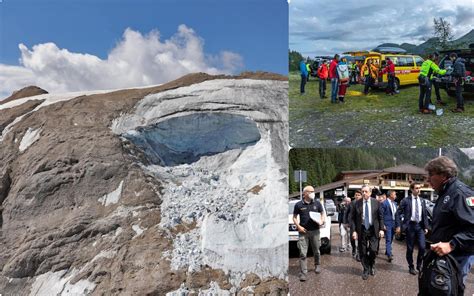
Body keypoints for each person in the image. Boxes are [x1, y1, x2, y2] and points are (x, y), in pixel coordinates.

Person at [424, 156, 474, 294]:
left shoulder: (460, 193)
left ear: (443, 175)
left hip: (456, 259)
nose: (428, 179)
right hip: (443, 259)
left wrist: (452, 244)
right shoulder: (445, 193)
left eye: (431, 175)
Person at [350, 185, 384, 280]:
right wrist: (354, 231)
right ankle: (365, 269)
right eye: (362, 192)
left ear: (370, 192)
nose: (364, 193)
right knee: (363, 251)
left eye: (366, 191)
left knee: (373, 250)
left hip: (373, 230)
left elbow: (380, 217)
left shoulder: (376, 203)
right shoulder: (357, 203)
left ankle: (371, 264)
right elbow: (352, 219)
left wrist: (381, 229)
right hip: (362, 229)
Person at [293, 185, 326, 281]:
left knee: (316, 250)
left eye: (313, 191)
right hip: (303, 232)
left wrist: (322, 220)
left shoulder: (317, 203)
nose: (313, 193)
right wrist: (298, 227)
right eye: (311, 191)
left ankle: (317, 265)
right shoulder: (298, 205)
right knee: (303, 253)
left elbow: (322, 213)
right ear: (305, 193)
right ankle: (303, 273)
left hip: (315, 231)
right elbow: (294, 217)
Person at [396, 183, 429, 275]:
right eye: (416, 188)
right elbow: (398, 213)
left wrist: (426, 226)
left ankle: (419, 265)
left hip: (420, 227)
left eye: (419, 188)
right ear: (412, 189)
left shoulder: (422, 200)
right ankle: (411, 266)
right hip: (410, 226)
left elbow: (425, 215)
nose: (419, 190)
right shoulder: (406, 200)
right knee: (410, 248)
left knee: (422, 247)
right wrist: (399, 226)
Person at [381, 190, 398, 262]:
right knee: (388, 239)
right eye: (394, 194)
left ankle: (387, 251)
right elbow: (381, 215)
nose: (395, 196)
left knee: (391, 238)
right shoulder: (384, 203)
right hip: (387, 224)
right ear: (390, 195)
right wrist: (383, 225)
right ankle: (389, 254)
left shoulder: (395, 203)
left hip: (394, 223)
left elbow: (396, 214)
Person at [345, 190, 362, 261]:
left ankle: (358, 252)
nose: (357, 196)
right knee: (352, 238)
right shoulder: (351, 203)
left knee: (360, 239)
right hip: (352, 224)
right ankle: (354, 249)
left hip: (361, 224)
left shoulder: (363, 203)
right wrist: (345, 222)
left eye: (358, 195)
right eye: (356, 195)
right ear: (354, 196)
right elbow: (346, 213)